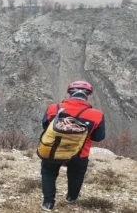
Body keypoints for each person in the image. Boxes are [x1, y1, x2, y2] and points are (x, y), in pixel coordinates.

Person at [40, 81, 105, 211]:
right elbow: (98, 137)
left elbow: (46, 127)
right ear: (87, 95)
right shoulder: (97, 114)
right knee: (76, 174)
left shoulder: (53, 108)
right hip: (80, 153)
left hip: (53, 149)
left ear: (69, 93)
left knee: (48, 173)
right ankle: (72, 197)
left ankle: (48, 203)